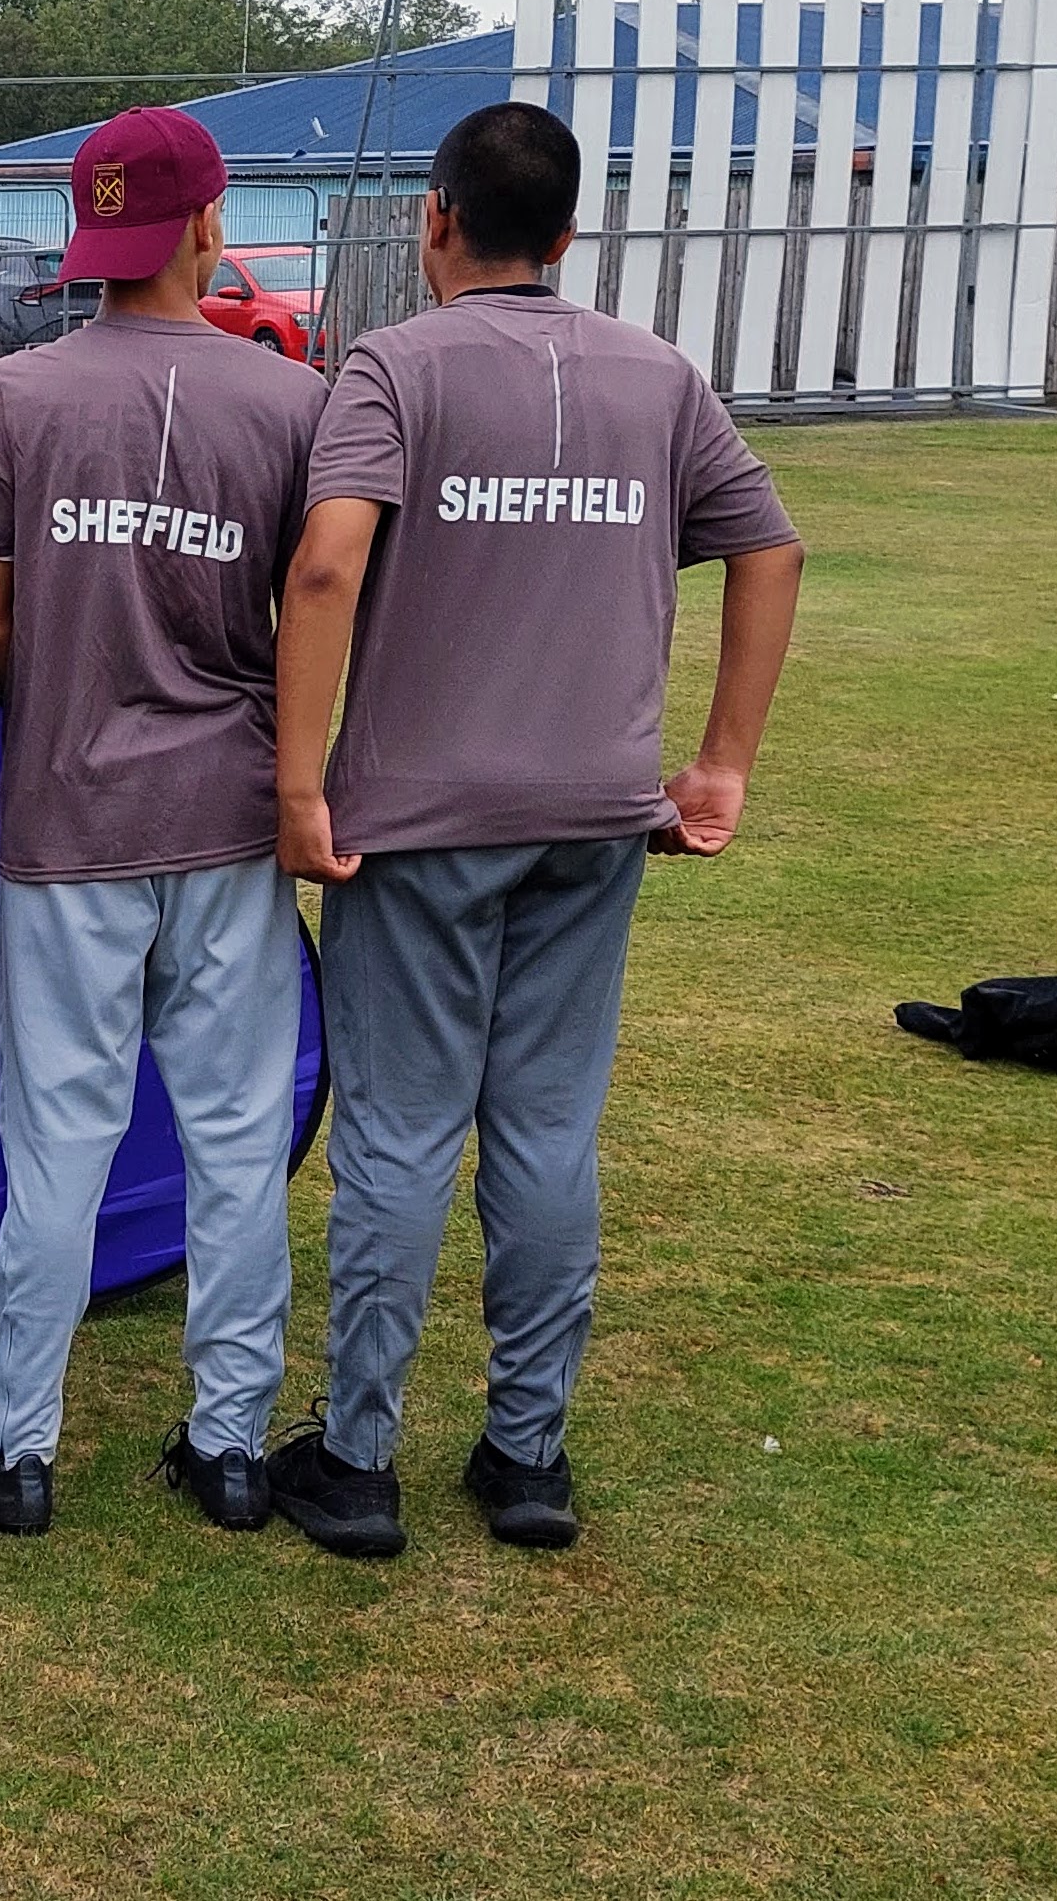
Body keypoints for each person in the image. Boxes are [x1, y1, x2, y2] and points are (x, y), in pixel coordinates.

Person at [268, 102, 803, 1557]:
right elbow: (769, 547)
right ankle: (526, 1453)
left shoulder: (392, 365)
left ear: (433, 217)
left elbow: (324, 568)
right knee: (549, 1128)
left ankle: (358, 1458)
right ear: (567, 234)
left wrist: (299, 786)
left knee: (398, 1134)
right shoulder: (657, 374)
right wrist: (721, 763)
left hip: (418, 821)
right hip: (592, 814)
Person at [0, 108, 325, 1539]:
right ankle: (231, 1446)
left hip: (71, 819)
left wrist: (66, 692)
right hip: (225, 816)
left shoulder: (19, 393)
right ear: (208, 226)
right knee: (234, 1138)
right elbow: (316, 609)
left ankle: (19, 1449)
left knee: (57, 1141)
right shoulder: (289, 398)